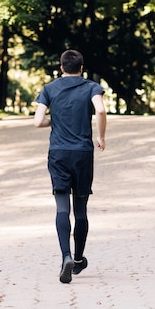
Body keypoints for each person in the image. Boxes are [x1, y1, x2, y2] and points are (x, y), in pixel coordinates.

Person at [34, 49, 107, 284]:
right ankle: (77, 259)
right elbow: (101, 109)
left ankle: (64, 255)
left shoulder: (49, 88)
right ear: (82, 68)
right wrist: (102, 137)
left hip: (58, 154)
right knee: (81, 209)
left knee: (61, 206)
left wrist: (53, 121)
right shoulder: (91, 87)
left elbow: (37, 122)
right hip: (83, 154)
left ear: (61, 67)